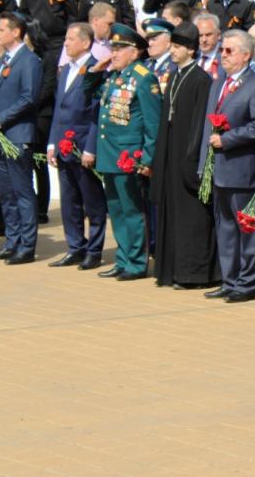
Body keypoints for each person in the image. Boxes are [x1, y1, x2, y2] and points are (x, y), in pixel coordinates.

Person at [200, 29, 255, 302]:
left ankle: (246, 283)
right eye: (222, 50)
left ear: (246, 55)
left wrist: (227, 139)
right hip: (219, 169)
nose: (223, 55)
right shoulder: (219, 83)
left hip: (243, 169)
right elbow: (208, 125)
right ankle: (229, 280)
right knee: (226, 229)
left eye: (229, 50)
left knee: (247, 229)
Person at [93, 25, 162, 281]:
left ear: (135, 52)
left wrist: (147, 158)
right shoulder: (114, 76)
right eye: (113, 48)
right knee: (117, 211)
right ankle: (123, 259)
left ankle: (136, 262)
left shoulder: (143, 78)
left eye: (120, 49)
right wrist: (94, 72)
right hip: (110, 154)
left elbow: (153, 123)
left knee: (132, 211)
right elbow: (90, 95)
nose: (114, 53)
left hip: (129, 156)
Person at [151, 21, 216, 288]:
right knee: (172, 215)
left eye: (177, 47)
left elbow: (200, 123)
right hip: (170, 156)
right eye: (172, 46)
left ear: (190, 49)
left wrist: (191, 159)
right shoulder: (175, 76)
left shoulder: (201, 79)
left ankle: (193, 274)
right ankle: (171, 270)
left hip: (187, 159)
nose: (172, 51)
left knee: (192, 217)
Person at [0, 12, 41, 266]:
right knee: (6, 193)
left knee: (22, 191)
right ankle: (12, 241)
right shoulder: (3, 59)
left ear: (16, 32)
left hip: (17, 134)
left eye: (1, 29)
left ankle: (27, 246)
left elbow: (28, 98)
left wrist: (0, 120)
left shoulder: (29, 60)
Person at [45, 23, 106, 271]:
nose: (66, 43)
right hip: (63, 146)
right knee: (69, 203)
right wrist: (52, 142)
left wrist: (90, 148)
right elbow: (59, 110)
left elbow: (96, 114)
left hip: (82, 147)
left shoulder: (95, 69)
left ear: (85, 42)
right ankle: (75, 247)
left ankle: (94, 250)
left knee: (92, 202)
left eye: (70, 39)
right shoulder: (65, 70)